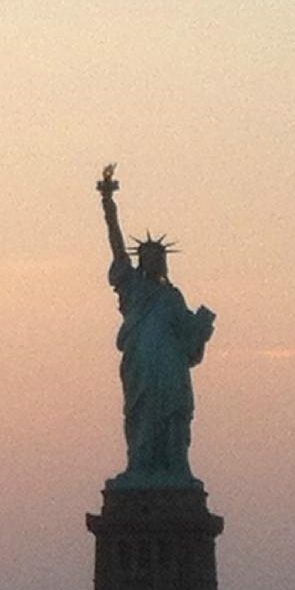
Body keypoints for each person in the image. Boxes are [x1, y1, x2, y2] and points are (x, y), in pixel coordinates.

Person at [97, 165, 215, 488]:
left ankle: (175, 467)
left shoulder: (171, 296)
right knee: (142, 416)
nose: (149, 261)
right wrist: (108, 203)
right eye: (144, 256)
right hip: (142, 369)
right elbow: (116, 246)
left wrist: (202, 325)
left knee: (174, 416)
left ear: (162, 262)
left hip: (171, 370)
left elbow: (190, 337)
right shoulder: (132, 287)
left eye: (155, 257)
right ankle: (140, 466)